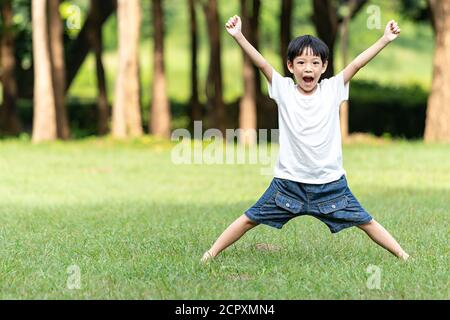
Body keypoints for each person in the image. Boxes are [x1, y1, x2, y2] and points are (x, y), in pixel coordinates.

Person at [201, 15, 409, 263]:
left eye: (314, 62)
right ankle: (209, 255)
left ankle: (403, 256)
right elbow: (262, 65)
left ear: (324, 66)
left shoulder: (333, 89)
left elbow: (356, 64)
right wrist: (238, 36)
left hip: (330, 185)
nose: (307, 68)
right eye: (300, 62)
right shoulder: (284, 89)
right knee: (249, 219)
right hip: (288, 184)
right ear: (290, 66)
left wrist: (385, 39)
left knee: (366, 221)